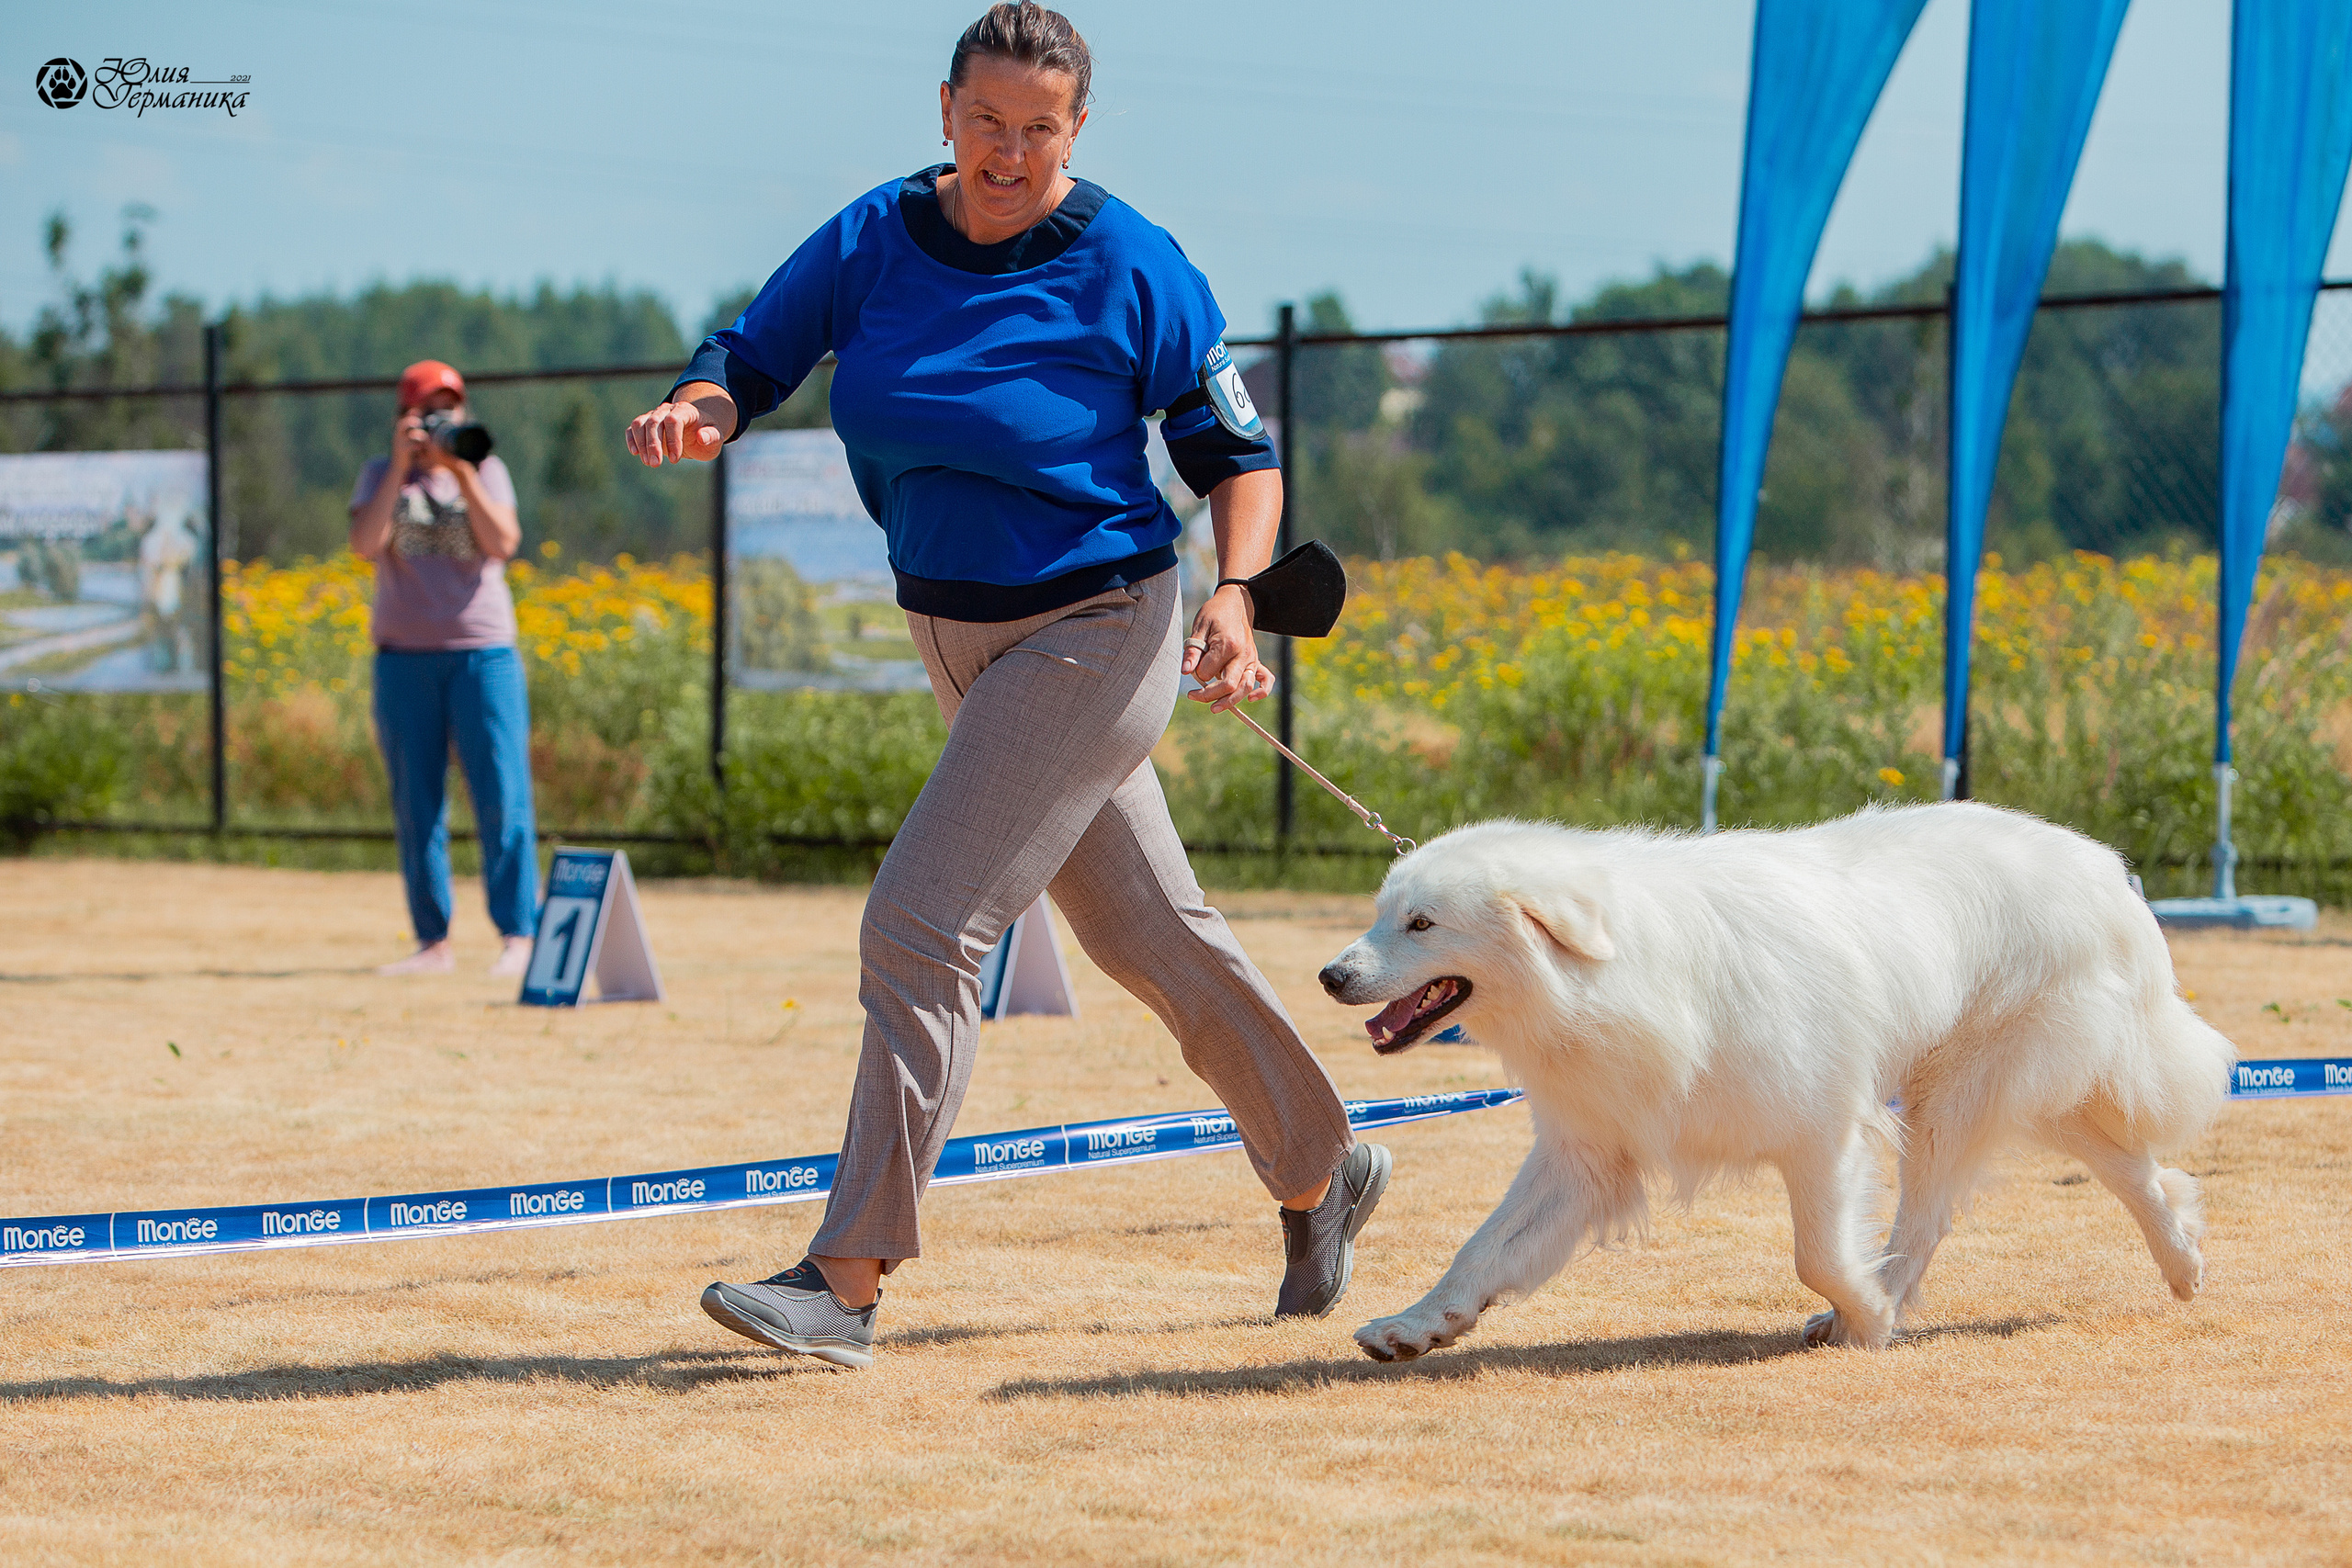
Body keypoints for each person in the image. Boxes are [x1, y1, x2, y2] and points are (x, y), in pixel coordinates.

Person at [627, 2, 1387, 1371]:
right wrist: (705, 407)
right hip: (955, 635)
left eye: (1040, 128)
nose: (1009, 150)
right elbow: (749, 356)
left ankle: (845, 1278)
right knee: (1152, 936)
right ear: (944, 112)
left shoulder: (1133, 261)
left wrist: (1232, 589)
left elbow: (1239, 455)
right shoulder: (872, 238)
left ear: (1076, 130)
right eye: (987, 121)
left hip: (1098, 623)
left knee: (921, 926)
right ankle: (1323, 1166)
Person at [350, 359, 538, 978]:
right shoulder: (383, 475)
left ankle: (519, 936)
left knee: (501, 796)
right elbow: (364, 543)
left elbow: (503, 542)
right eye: (427, 407)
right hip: (404, 660)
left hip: (483, 656)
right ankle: (432, 942)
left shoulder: (486, 470)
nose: (440, 418)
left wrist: (461, 469)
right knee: (418, 805)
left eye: (449, 407)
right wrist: (402, 465)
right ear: (404, 416)